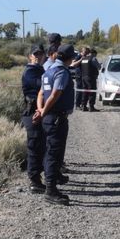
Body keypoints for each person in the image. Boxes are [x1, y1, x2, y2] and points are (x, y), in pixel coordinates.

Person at [34, 44, 76, 205]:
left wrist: (40, 110)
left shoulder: (48, 71)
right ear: (70, 58)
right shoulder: (61, 72)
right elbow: (55, 94)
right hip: (56, 118)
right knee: (54, 154)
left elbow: (40, 93)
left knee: (50, 151)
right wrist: (43, 111)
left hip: (48, 117)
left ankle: (52, 185)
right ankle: (50, 191)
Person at [21, 44, 46, 193]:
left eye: (40, 54)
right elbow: (40, 86)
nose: (38, 56)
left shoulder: (40, 70)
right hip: (32, 113)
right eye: (35, 54)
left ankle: (38, 178)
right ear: (30, 56)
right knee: (34, 147)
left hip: (38, 112)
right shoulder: (30, 71)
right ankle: (34, 181)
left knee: (40, 146)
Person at [79, 46, 101, 112]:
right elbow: (99, 67)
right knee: (92, 92)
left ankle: (83, 106)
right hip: (91, 77)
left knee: (85, 92)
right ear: (93, 53)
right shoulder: (93, 58)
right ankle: (91, 107)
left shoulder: (83, 58)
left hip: (83, 77)